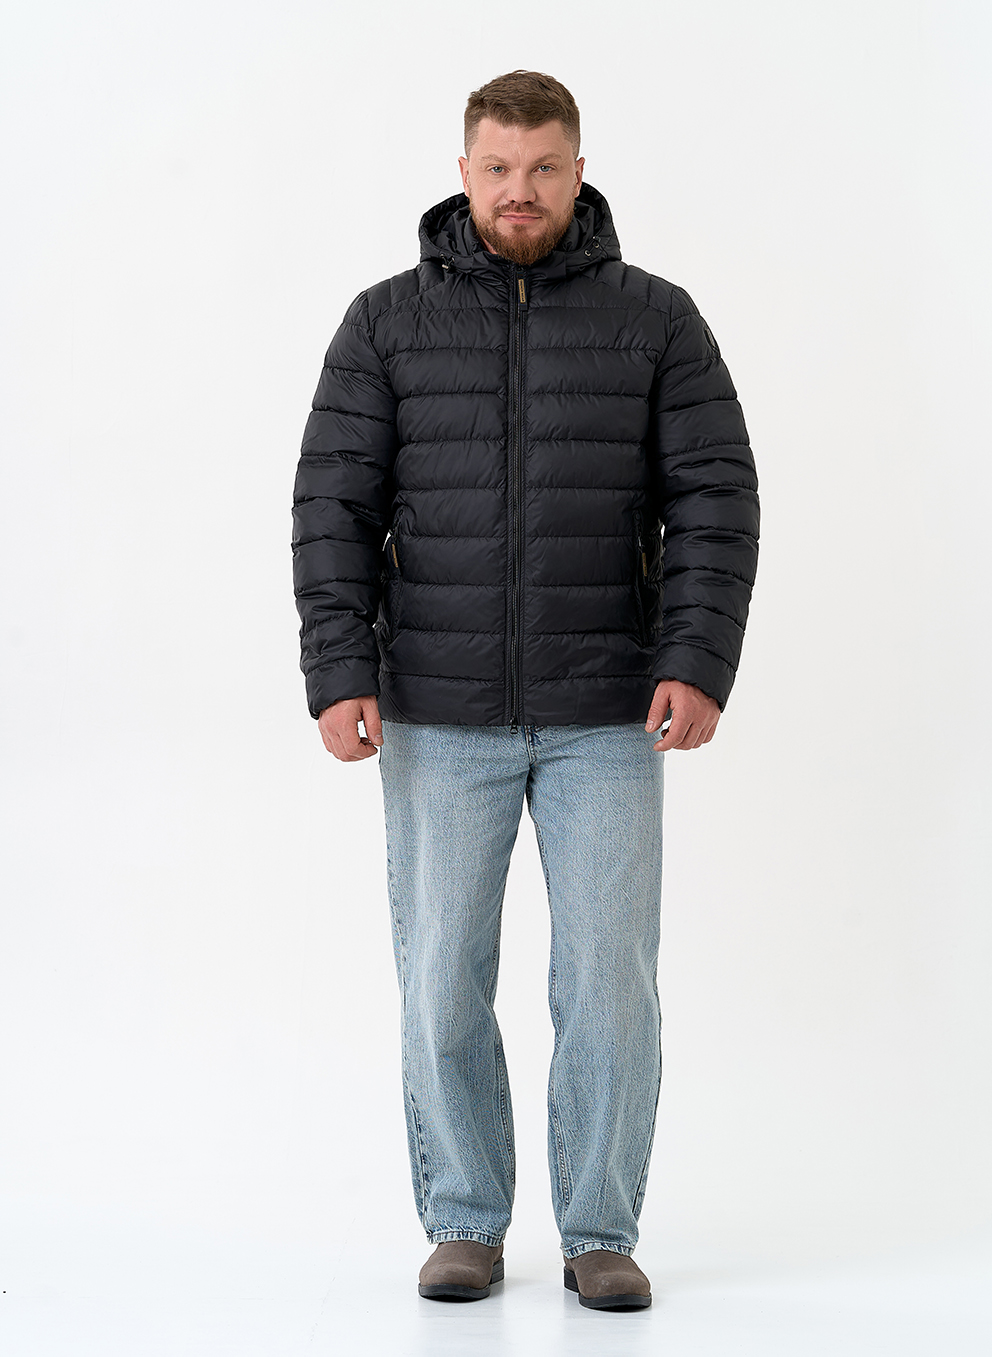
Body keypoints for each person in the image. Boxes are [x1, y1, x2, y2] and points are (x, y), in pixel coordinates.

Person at [291, 70, 759, 1311]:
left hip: (609, 707)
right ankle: (463, 1218)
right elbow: (332, 505)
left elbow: (713, 495)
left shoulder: (654, 320)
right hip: (435, 711)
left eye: (542, 169)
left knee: (608, 981)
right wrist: (339, 670)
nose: (519, 192)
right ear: (463, 174)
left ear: (577, 171)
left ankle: (599, 1229)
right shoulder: (385, 323)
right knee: (441, 972)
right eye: (497, 169)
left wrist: (695, 658)